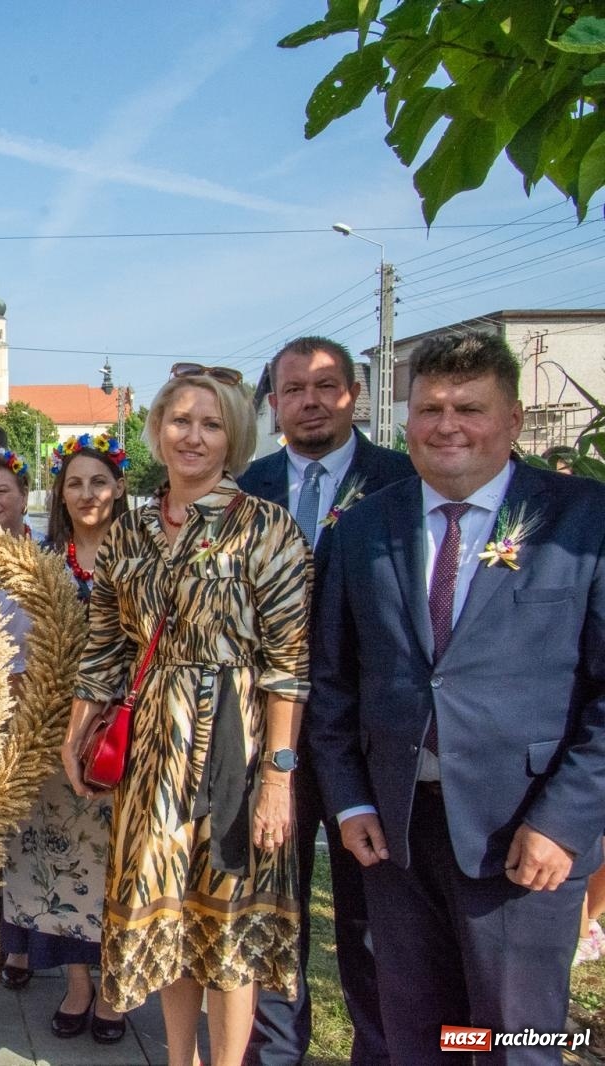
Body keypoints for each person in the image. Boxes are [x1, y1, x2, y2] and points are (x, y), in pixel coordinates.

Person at [306, 333, 605, 1064]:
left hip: (523, 837)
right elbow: (332, 683)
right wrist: (349, 803)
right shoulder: (364, 528)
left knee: (510, 1039)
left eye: (469, 408)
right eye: (430, 407)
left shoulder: (585, 523)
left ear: (515, 420)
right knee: (420, 1035)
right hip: (396, 837)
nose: (447, 425)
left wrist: (563, 824)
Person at [62, 365, 309, 1066]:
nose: (193, 437)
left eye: (210, 424)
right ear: (157, 430)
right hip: (151, 746)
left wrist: (279, 779)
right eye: (180, 422)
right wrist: (76, 730)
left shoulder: (266, 527)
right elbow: (106, 639)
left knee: (226, 918)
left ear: (233, 437)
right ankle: (180, 1058)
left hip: (235, 738)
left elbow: (289, 663)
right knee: (167, 914)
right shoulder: (132, 530)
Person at [236, 336, 412, 1066]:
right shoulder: (249, 485)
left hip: (369, 736)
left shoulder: (401, 480)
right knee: (272, 910)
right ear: (273, 402)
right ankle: (275, 1054)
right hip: (264, 731)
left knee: (371, 921)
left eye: (327, 385)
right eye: (294, 388)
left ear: (354, 395)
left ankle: (378, 1049)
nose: (310, 400)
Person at [0, 433, 129, 1044]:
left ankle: (117, 988)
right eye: (74, 483)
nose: (86, 494)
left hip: (124, 734)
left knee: (119, 864)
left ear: (119, 486)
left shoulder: (142, 553)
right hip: (55, 733)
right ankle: (79, 983)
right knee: (59, 858)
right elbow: (17, 643)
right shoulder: (45, 558)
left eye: (98, 482)